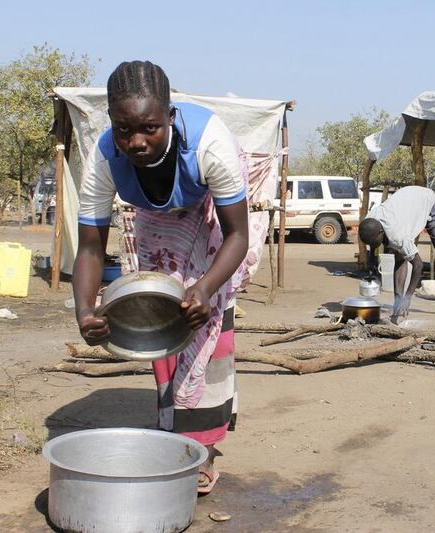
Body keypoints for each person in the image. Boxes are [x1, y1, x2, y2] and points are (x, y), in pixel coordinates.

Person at [73, 61, 249, 494]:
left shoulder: (210, 143)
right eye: (124, 129)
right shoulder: (104, 156)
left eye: (150, 128)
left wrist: (206, 287)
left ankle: (203, 446)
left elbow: (238, 234)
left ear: (170, 116)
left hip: (216, 217)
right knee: (159, 316)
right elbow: (91, 247)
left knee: (207, 325)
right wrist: (84, 310)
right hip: (154, 219)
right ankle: (174, 426)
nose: (136, 142)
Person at [359, 185, 435, 324]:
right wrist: (371, 258)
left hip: (429, 201)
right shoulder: (369, 220)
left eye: (375, 242)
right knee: (399, 256)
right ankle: (398, 306)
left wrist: (407, 298)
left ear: (381, 233)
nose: (374, 246)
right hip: (408, 198)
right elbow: (382, 247)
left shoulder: (397, 235)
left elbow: (418, 266)